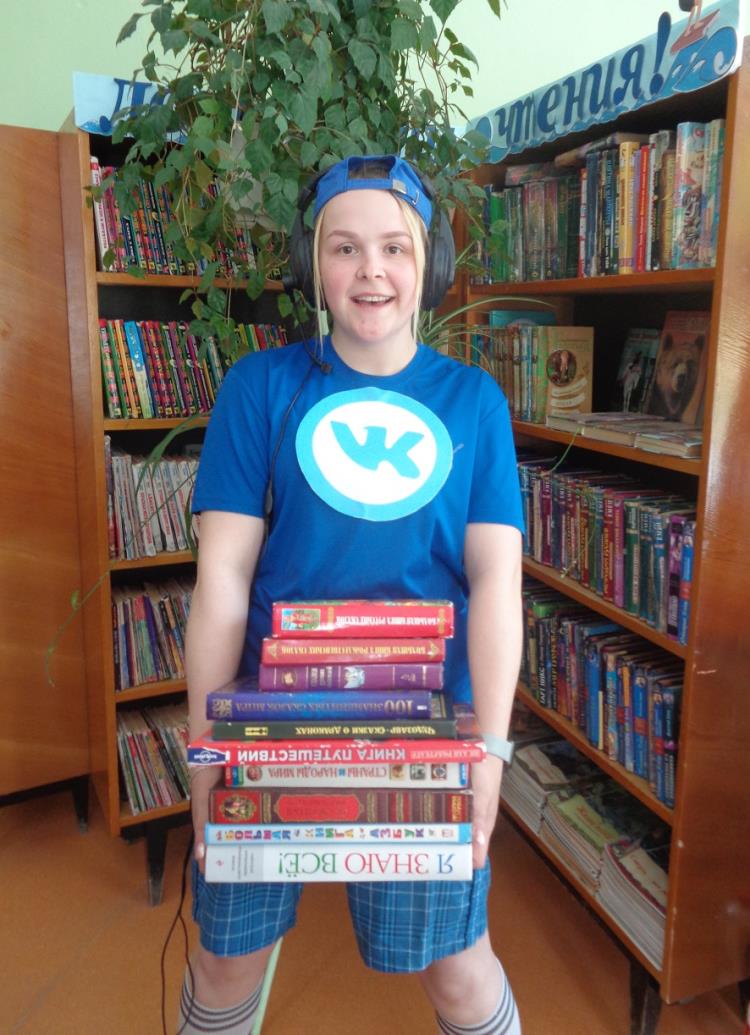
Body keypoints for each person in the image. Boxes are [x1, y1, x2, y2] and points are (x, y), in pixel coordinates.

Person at [180, 154, 524, 1035]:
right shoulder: (260, 388)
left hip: (428, 729)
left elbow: (497, 582)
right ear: (314, 266)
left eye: (394, 248)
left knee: (457, 970)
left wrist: (489, 753)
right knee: (223, 959)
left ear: (429, 266)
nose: (372, 270)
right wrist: (205, 752)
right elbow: (223, 579)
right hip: (269, 721)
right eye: (345, 248)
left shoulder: (474, 402)